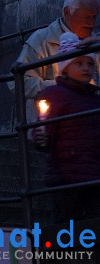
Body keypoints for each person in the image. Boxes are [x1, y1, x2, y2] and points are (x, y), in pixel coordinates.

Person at [32, 32, 100, 225]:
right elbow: (45, 130)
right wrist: (42, 136)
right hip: (66, 175)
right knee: (66, 225)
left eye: (90, 63)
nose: (86, 68)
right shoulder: (56, 94)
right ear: (66, 68)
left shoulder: (95, 98)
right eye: (79, 63)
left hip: (93, 173)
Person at [13, 0, 100, 103]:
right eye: (86, 17)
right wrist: (61, 88)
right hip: (56, 117)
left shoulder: (95, 43)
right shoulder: (41, 41)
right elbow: (17, 82)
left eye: (94, 17)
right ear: (67, 12)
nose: (92, 24)